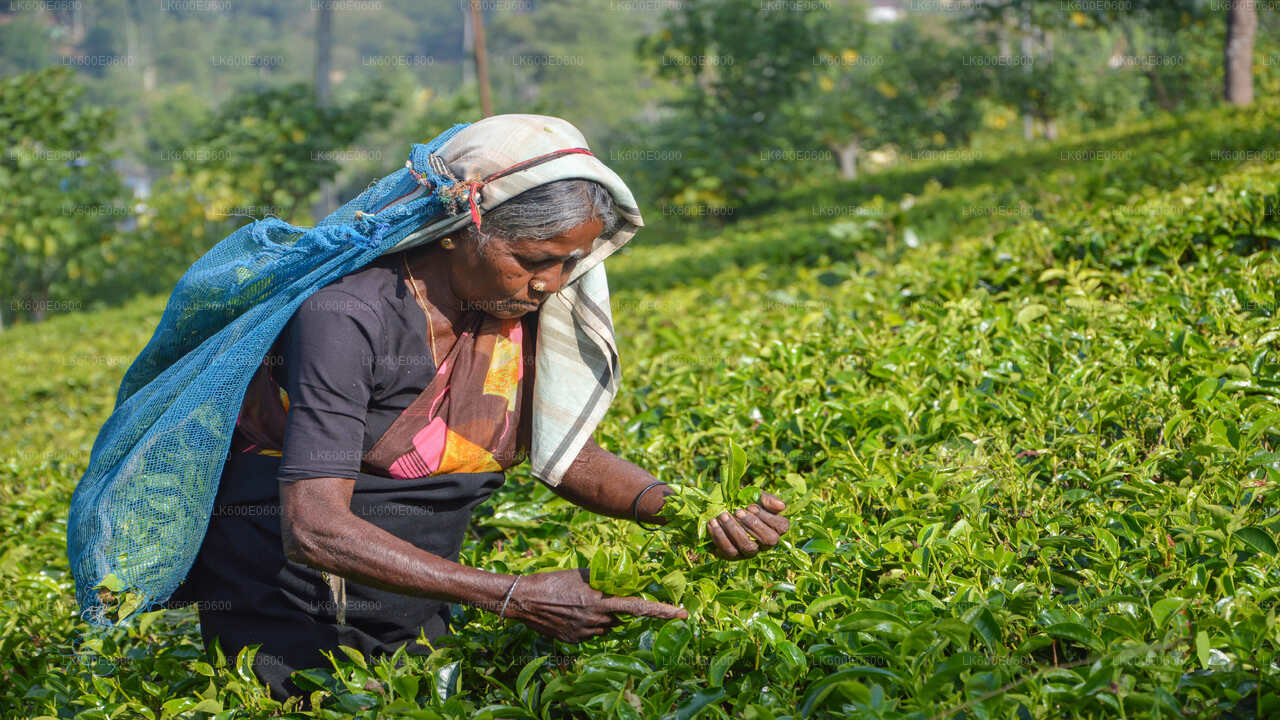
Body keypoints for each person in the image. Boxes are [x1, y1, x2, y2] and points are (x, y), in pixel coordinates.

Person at [169, 115, 790, 698]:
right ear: (461, 230)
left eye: (569, 261)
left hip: (419, 577)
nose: (550, 282)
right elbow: (313, 526)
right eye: (531, 259)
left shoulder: (515, 306)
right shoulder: (349, 313)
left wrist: (698, 513)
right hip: (291, 594)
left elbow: (567, 456)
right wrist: (514, 594)